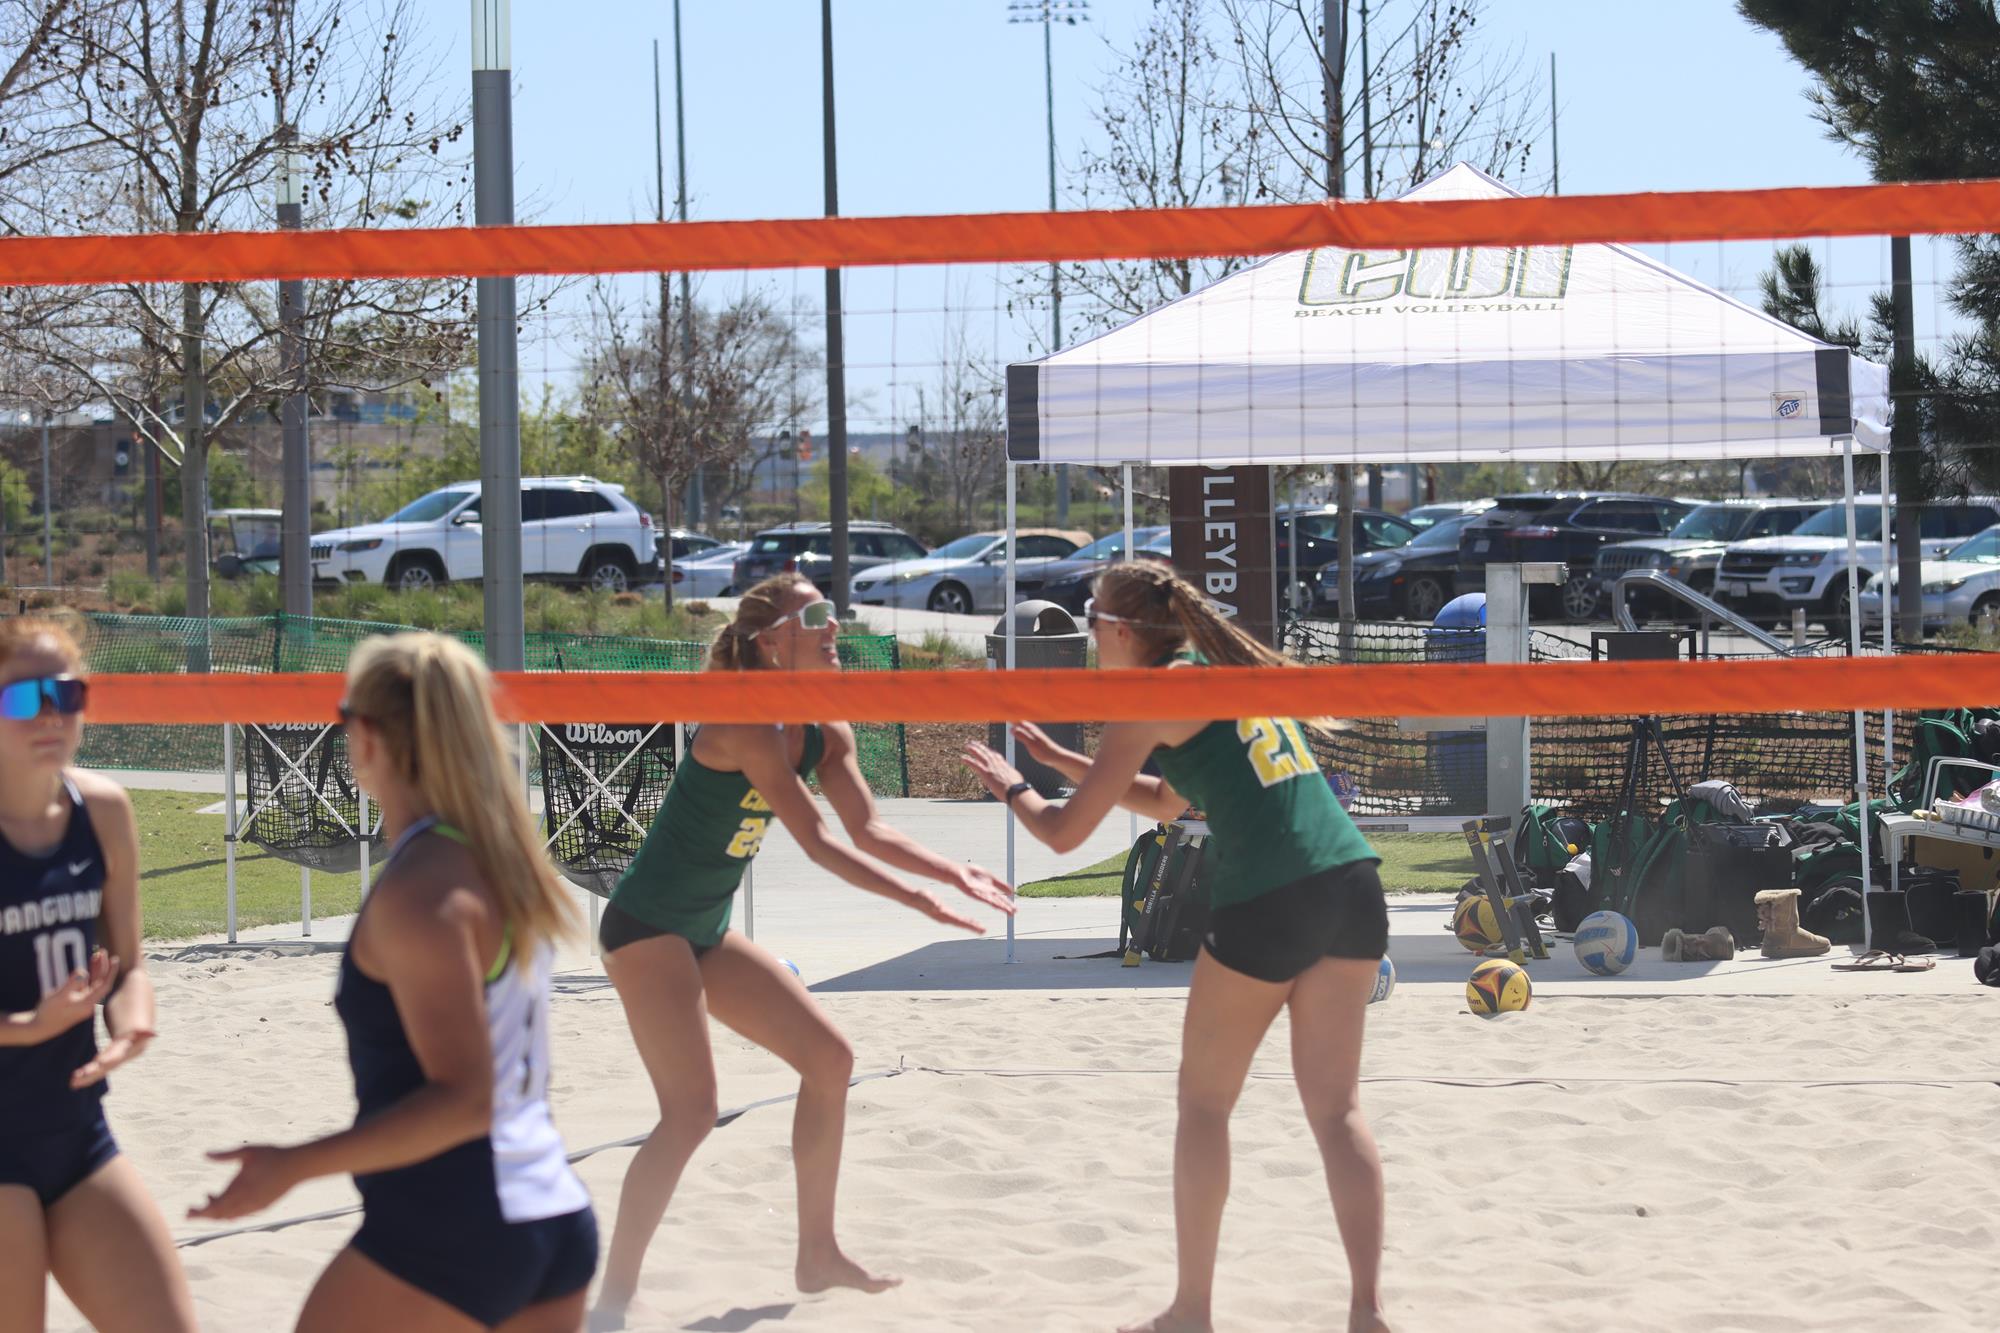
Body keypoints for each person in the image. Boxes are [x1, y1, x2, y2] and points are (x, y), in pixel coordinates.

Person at [962, 561, 1392, 1333]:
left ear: (1124, 631)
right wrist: (1066, 764)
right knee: (1337, 1111)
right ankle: (1367, 1310)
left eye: (1091, 619)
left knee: (1203, 1104)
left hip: (1269, 895)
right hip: (1353, 883)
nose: (1088, 631)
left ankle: (1191, 1311)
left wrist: (1013, 786)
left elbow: (1063, 834)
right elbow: (1168, 799)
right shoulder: (1216, 671)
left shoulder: (1149, 695)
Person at [590, 572, 1014, 1329]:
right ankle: (613, 1297)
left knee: (830, 1059)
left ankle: (817, 1251)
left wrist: (953, 869)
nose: (831, 625)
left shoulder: (824, 724)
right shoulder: (744, 722)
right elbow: (816, 842)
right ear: (767, 642)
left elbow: (868, 829)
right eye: (812, 614)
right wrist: (918, 902)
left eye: (831, 610)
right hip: (645, 926)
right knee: (690, 1114)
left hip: (703, 932)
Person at [195, 632, 599, 1333]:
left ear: (369, 735)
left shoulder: (424, 889)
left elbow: (466, 1098)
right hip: (552, 1216)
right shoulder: (495, 860)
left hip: (456, 1220)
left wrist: (293, 1164)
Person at [0, 615, 199, 1333]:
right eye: (23, 697)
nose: (50, 714)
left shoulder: (104, 809)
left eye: (67, 693)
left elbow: (129, 965)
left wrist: (131, 1020)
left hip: (73, 1127)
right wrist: (29, 1025)